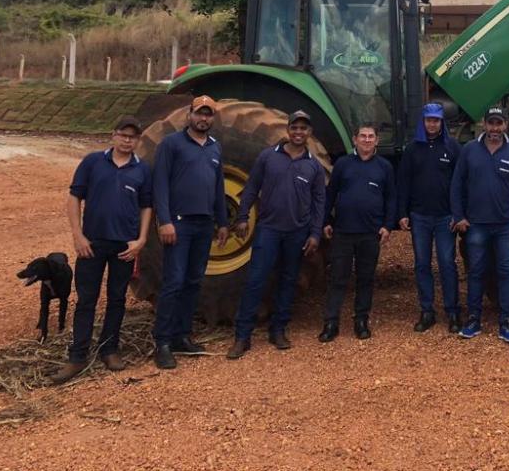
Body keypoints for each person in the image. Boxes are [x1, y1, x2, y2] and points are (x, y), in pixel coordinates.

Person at [51, 116, 153, 384]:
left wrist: (141, 239)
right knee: (87, 299)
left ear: (137, 140)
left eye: (132, 137)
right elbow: (74, 197)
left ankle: (109, 350)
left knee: (117, 298)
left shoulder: (142, 169)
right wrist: (78, 235)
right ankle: (77, 356)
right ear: (113, 135)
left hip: (124, 246)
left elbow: (146, 206)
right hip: (92, 244)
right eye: (123, 135)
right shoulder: (92, 162)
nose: (127, 140)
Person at [227, 111, 327, 359]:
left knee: (288, 280)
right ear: (288, 130)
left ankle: (278, 329)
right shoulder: (268, 157)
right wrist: (242, 216)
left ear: (309, 133)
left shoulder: (313, 166)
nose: (298, 132)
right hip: (269, 229)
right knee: (255, 280)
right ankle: (242, 336)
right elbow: (251, 187)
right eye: (295, 128)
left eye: (303, 128)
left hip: (297, 232)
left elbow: (319, 203)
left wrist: (315, 234)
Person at [152, 96, 229, 369]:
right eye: (199, 113)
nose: (203, 119)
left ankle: (181, 336)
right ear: (190, 114)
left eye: (208, 115)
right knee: (173, 281)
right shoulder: (171, 144)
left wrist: (223, 222)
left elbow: (218, 187)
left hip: (204, 224)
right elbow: (160, 183)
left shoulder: (215, 147)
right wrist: (165, 220)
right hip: (179, 223)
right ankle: (162, 342)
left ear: (212, 118)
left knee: (194, 281)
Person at [450, 106, 509, 343]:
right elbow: (457, 185)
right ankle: (473, 319)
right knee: (476, 272)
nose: (495, 128)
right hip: (476, 225)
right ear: (484, 124)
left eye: (499, 123)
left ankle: (506, 322)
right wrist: (458, 216)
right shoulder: (469, 150)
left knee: (506, 272)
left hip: (506, 226)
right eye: (491, 123)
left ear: (506, 125)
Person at [318, 122, 396, 342]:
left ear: (377, 140)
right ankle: (331, 322)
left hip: (370, 233)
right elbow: (330, 194)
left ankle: (361, 320)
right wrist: (326, 220)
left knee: (365, 278)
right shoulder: (343, 164)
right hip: (343, 231)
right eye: (363, 136)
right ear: (355, 139)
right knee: (338, 278)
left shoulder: (384, 167)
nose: (367, 140)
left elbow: (391, 198)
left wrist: (387, 225)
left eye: (371, 136)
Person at [397, 103, 462, 334]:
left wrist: (458, 213)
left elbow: (460, 183)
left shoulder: (452, 147)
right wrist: (402, 213)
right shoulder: (412, 149)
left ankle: (453, 311)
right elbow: (403, 183)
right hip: (420, 216)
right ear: (423, 122)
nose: (432, 124)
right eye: (429, 120)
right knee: (422, 264)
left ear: (442, 122)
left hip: (446, 217)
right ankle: (427, 311)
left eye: (436, 120)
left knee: (447, 263)